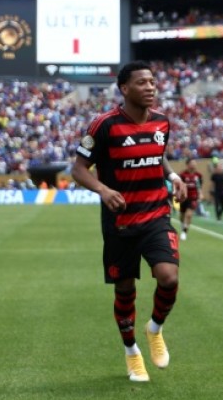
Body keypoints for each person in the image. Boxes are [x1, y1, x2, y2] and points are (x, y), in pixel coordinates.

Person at [71, 61, 187, 383]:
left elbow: (157, 153)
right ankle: (132, 351)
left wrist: (173, 175)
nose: (150, 87)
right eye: (142, 83)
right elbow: (78, 169)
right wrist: (103, 188)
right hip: (120, 222)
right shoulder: (103, 125)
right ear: (125, 89)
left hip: (155, 215)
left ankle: (154, 329)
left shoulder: (162, 123)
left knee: (169, 277)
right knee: (125, 289)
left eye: (152, 81)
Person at [178, 158, 203, 240]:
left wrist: (200, 194)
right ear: (188, 164)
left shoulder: (198, 175)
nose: (194, 165)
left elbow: (199, 186)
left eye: (195, 163)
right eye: (192, 163)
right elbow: (178, 186)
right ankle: (182, 226)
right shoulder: (182, 175)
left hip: (193, 198)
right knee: (182, 215)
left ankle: (184, 231)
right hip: (183, 198)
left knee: (188, 215)